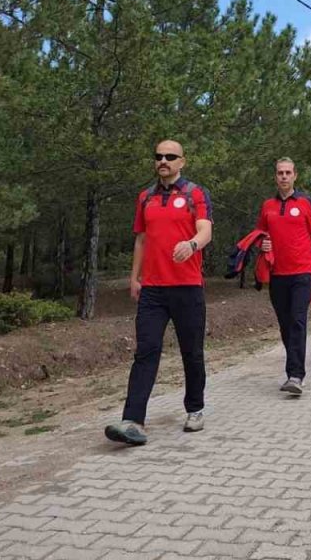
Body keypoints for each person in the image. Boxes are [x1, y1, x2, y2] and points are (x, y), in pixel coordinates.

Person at [104, 140, 213, 445]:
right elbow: (141, 239)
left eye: (169, 157)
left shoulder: (195, 194)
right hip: (152, 290)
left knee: (191, 352)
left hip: (187, 287)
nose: (163, 161)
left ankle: (195, 409)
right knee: (145, 352)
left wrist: (192, 244)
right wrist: (134, 276)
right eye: (158, 157)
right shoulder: (145, 197)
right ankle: (132, 420)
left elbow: (205, 230)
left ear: (182, 161)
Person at [257, 158, 311, 395]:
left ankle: (295, 375)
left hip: (302, 272)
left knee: (298, 321)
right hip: (277, 273)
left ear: (295, 176)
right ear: (275, 176)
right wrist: (264, 243)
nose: (283, 176)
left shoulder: (305, 203)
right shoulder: (267, 205)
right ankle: (293, 370)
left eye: (288, 172)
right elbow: (260, 234)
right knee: (285, 324)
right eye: (280, 172)